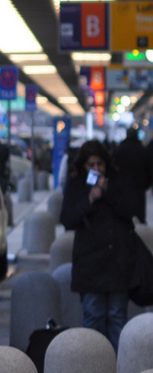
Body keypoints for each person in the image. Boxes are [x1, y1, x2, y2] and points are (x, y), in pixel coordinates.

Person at [61, 140, 141, 350]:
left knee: (117, 317)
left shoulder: (118, 180)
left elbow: (130, 210)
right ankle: (93, 371)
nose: (97, 169)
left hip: (118, 261)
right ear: (83, 166)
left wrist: (107, 193)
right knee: (93, 316)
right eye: (92, 165)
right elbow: (67, 219)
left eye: (100, 164)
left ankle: (118, 370)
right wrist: (90, 199)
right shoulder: (77, 185)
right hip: (90, 264)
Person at [117, 125, 149, 222]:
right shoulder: (142, 151)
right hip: (139, 188)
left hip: (122, 188)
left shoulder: (119, 150)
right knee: (139, 218)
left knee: (123, 217)